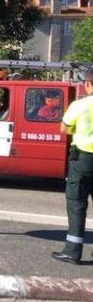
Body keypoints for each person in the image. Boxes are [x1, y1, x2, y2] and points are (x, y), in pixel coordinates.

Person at [52, 72, 93, 264]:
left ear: (87, 85)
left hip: (83, 160)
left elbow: (65, 127)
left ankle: (72, 251)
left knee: (77, 203)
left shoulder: (80, 105)